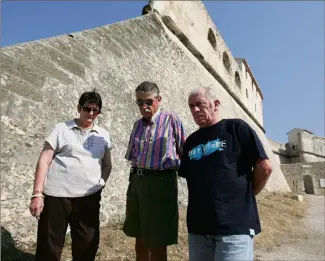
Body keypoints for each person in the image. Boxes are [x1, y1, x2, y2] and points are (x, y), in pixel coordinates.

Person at [178, 86, 273, 261]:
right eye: (191, 106)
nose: (195, 109)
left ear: (215, 104)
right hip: (198, 228)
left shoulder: (236, 128)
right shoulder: (191, 141)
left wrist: (247, 196)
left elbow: (265, 168)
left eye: (200, 104)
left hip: (234, 228)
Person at [29, 90, 112, 261]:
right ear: (78, 108)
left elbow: (107, 164)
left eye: (95, 110)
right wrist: (37, 194)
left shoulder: (103, 135)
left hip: (88, 198)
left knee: (87, 245)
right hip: (56, 197)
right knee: (49, 247)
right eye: (87, 108)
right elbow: (44, 160)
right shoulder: (61, 129)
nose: (90, 113)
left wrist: (101, 182)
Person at [123, 81, 187, 261]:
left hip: (162, 183)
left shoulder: (171, 120)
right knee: (139, 237)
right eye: (139, 102)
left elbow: (185, 152)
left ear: (158, 100)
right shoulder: (137, 125)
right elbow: (132, 155)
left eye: (148, 102)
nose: (144, 107)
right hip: (137, 182)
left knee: (158, 240)